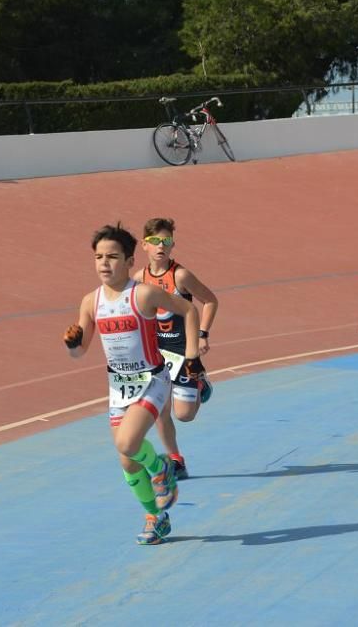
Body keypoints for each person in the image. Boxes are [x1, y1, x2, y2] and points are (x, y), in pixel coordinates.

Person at [63, 223, 204, 545]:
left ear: (129, 261)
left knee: (127, 443)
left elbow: (189, 310)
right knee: (127, 460)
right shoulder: (90, 302)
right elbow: (79, 352)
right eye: (98, 257)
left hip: (152, 380)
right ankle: (156, 517)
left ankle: (163, 468)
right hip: (119, 387)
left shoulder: (143, 293)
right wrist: (72, 343)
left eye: (112, 256)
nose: (104, 263)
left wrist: (192, 355)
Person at [137, 218, 218, 480]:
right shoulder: (140, 278)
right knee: (160, 408)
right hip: (158, 352)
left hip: (185, 351)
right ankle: (176, 459)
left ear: (172, 245)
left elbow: (210, 301)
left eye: (166, 241)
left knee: (184, 415)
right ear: (144, 246)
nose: (161, 246)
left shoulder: (180, 275)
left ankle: (200, 384)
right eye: (155, 241)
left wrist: (203, 334)